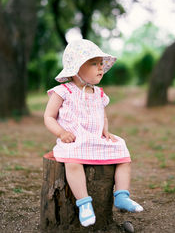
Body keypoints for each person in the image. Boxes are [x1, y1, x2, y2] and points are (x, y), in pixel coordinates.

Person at [44, 39, 143, 227]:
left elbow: (102, 115)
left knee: (122, 151)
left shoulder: (98, 93)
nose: (100, 68)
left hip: (95, 139)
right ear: (77, 68)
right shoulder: (63, 91)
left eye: (101, 64)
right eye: (94, 63)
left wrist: (105, 130)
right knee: (72, 162)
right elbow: (48, 117)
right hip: (73, 140)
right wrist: (61, 132)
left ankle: (122, 195)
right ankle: (84, 203)